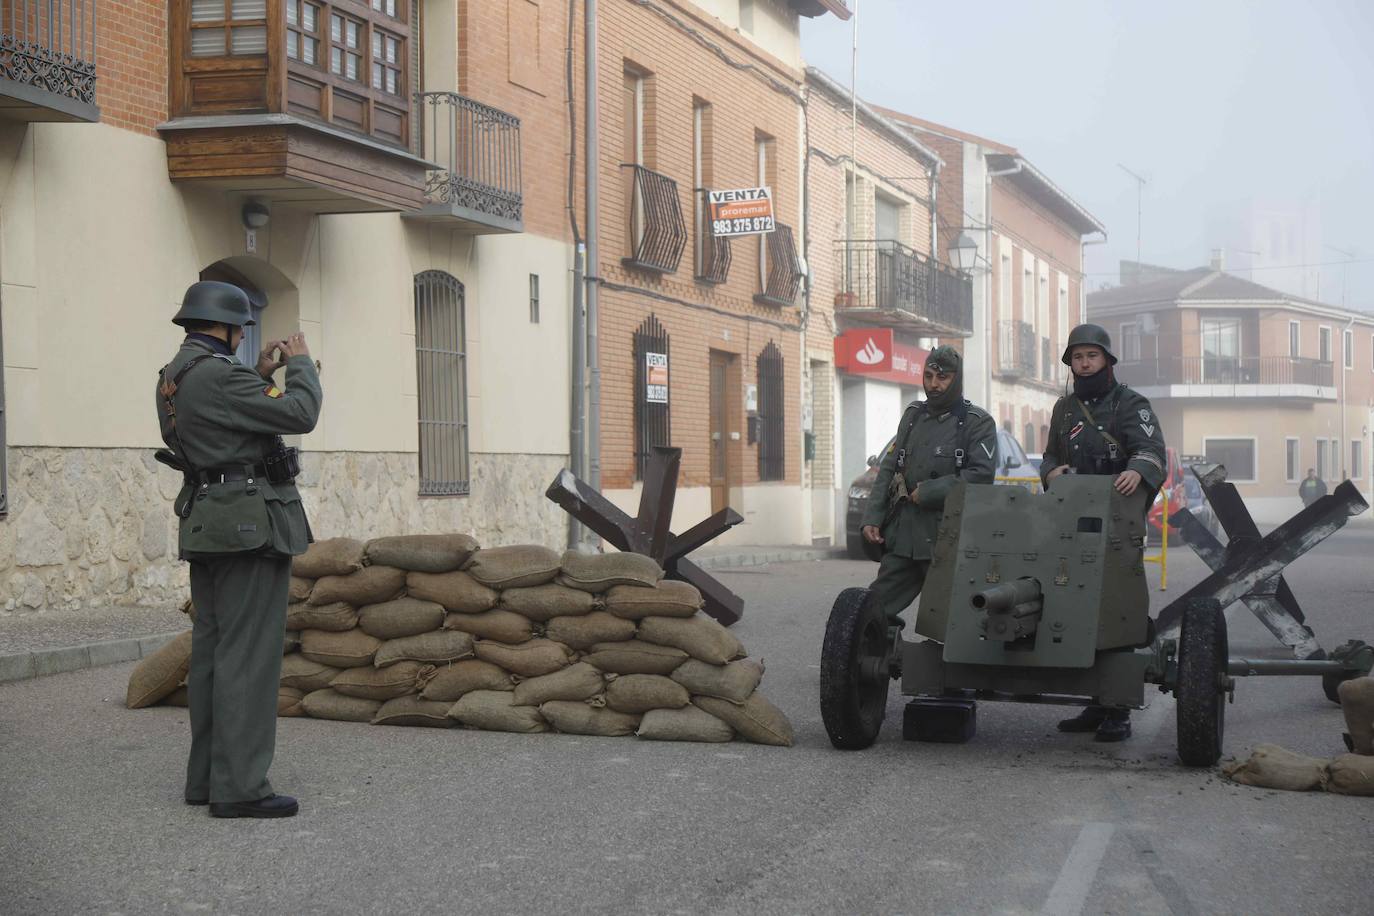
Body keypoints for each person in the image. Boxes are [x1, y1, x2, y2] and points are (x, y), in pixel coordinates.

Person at [156, 280, 323, 818]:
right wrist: (300, 365)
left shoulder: (175, 376)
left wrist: (260, 376)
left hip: (208, 522)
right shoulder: (221, 375)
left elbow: (225, 419)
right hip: (248, 527)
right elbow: (299, 414)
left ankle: (207, 778)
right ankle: (241, 787)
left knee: (211, 654)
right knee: (247, 658)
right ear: (229, 327)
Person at [1040, 323, 1166, 743]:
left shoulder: (1131, 403)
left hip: (1115, 523)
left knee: (1116, 610)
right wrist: (1050, 473)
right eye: (1077, 357)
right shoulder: (1064, 409)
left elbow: (1151, 451)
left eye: (1092, 356)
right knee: (1073, 607)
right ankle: (1094, 704)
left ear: (1107, 360)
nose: (1084, 363)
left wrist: (1137, 469)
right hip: (1071, 523)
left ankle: (1118, 710)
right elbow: (1050, 458)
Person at [861, 345, 998, 631]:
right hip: (903, 537)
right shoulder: (912, 415)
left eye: (943, 378)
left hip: (946, 539)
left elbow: (981, 475)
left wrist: (931, 492)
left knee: (954, 623)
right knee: (870, 612)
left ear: (956, 380)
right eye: (928, 375)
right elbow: (889, 468)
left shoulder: (977, 423)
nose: (934, 385)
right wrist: (872, 517)